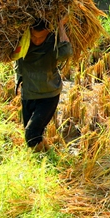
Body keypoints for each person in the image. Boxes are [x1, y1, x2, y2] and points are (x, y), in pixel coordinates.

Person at [16, 18, 71, 152]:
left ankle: (41, 162)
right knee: (34, 135)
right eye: (34, 36)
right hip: (28, 93)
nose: (37, 40)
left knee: (31, 135)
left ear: (48, 33)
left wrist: (60, 26)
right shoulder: (23, 44)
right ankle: (47, 155)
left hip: (48, 95)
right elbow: (14, 61)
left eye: (41, 37)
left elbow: (67, 52)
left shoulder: (52, 42)